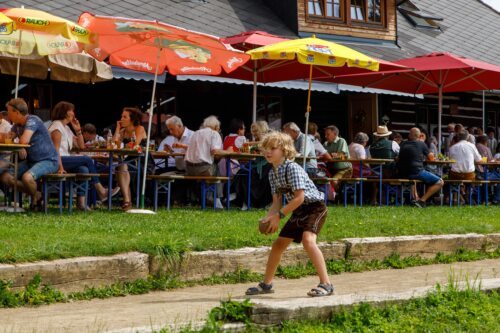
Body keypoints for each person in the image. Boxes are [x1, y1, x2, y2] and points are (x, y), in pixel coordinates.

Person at [245, 131, 333, 297]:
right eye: (265, 148)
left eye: (273, 148)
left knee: (308, 240)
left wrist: (279, 216)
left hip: (314, 208)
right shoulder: (272, 173)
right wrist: (268, 218)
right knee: (278, 245)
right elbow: (277, 202)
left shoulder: (292, 168)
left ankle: (326, 284)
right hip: (298, 210)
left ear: (285, 150)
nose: (268, 152)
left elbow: (299, 198)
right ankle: (267, 284)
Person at [48, 102, 118, 210]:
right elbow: (55, 150)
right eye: (71, 110)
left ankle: (81, 203)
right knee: (87, 159)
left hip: (65, 159)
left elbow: (81, 146)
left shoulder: (66, 128)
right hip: (56, 160)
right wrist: (60, 168)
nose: (73, 113)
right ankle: (101, 190)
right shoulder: (56, 127)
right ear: (65, 112)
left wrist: (78, 130)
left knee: (84, 169)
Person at [0, 98, 59, 210]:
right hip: (32, 161)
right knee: (5, 176)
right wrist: (13, 139)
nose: (7, 115)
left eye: (9, 112)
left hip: (48, 160)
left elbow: (24, 140)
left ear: (16, 112)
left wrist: (20, 144)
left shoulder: (33, 120)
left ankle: (36, 197)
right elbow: (8, 137)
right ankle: (36, 194)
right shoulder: (17, 125)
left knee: (27, 178)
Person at [184, 115, 226, 208]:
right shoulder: (214, 134)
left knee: (211, 166)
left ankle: (201, 199)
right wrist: (228, 151)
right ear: (216, 126)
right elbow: (215, 151)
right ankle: (217, 200)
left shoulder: (195, 133)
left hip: (189, 170)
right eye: (218, 127)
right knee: (216, 168)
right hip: (203, 170)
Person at [397, 127, 444, 208]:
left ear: (409, 135)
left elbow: (399, 158)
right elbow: (431, 158)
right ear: (419, 135)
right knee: (440, 182)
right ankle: (422, 201)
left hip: (403, 173)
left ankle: (415, 199)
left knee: (413, 179)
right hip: (416, 172)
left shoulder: (403, 144)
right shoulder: (421, 144)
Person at [233, 120, 272, 210]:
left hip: (266, 165)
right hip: (256, 164)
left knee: (247, 174)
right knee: (242, 172)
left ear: (262, 130)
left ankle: (244, 200)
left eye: (255, 131)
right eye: (253, 131)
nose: (253, 133)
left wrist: (249, 144)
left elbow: (262, 145)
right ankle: (240, 197)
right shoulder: (257, 140)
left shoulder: (269, 138)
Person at [113, 107, 147, 211]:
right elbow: (114, 144)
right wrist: (117, 129)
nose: (121, 119)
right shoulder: (122, 132)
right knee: (120, 166)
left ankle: (127, 201)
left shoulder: (139, 129)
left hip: (142, 161)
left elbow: (134, 145)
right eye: (121, 116)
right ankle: (127, 201)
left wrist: (123, 145)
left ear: (132, 119)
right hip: (127, 160)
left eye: (124, 117)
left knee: (121, 166)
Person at [369, 125, 399, 205]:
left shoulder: (371, 146)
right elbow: (400, 155)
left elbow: (369, 159)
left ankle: (374, 199)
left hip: (375, 172)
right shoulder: (393, 143)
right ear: (388, 135)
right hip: (389, 172)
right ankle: (397, 199)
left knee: (377, 176)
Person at [323, 125, 351, 189]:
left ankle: (338, 197)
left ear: (335, 134)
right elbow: (322, 155)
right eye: (325, 134)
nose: (325, 136)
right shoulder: (325, 143)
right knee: (320, 180)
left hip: (345, 169)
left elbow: (343, 156)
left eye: (328, 134)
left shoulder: (341, 141)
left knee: (333, 181)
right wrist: (332, 155)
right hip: (331, 169)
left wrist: (330, 155)